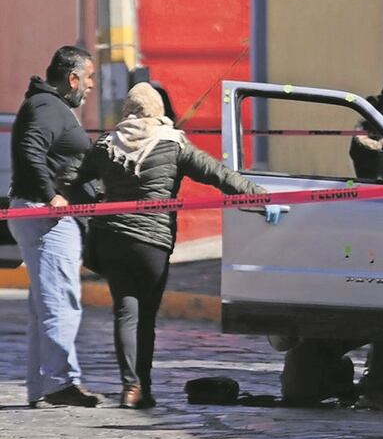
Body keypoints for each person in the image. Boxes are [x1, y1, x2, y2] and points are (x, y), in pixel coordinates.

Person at [75, 83, 281, 408]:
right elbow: (218, 175)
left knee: (125, 313)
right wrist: (261, 197)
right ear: (158, 110)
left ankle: (131, 388)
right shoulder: (173, 143)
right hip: (152, 244)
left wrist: (95, 202)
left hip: (113, 239)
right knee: (145, 318)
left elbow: (72, 178)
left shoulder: (107, 143)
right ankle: (143, 387)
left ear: (127, 110)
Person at [8, 45, 101, 408]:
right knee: (61, 301)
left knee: (46, 304)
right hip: (47, 216)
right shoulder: (46, 107)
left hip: (42, 214)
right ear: (72, 78)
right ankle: (62, 382)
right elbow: (31, 149)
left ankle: (42, 384)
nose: (91, 85)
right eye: (89, 78)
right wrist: (52, 196)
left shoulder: (48, 106)